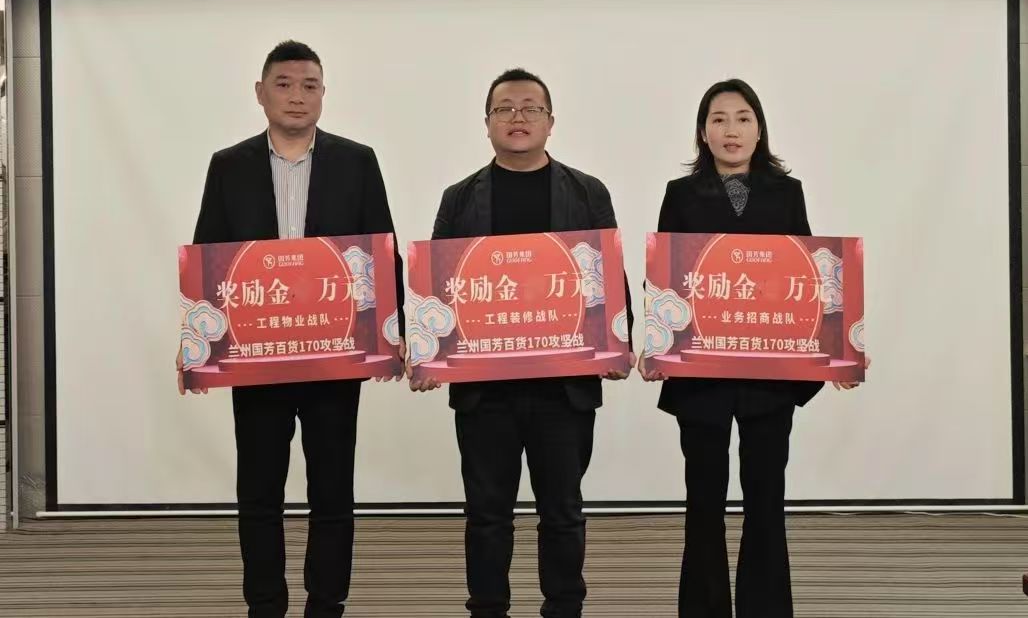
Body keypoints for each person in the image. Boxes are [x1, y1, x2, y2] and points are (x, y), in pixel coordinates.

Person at [180, 39, 404, 618]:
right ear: (260, 93)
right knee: (259, 492)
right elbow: (209, 258)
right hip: (258, 358)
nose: (297, 97)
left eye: (309, 86)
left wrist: (391, 335)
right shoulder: (229, 166)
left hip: (334, 355)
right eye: (284, 84)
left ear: (324, 94)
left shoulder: (357, 161)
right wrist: (197, 347)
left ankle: (326, 604)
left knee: (332, 491)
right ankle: (265, 605)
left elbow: (382, 251)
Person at [639, 78, 866, 618]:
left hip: (770, 375)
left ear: (759, 129)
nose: (731, 130)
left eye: (743, 118)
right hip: (701, 375)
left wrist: (839, 349)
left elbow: (812, 276)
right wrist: (656, 344)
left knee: (766, 500)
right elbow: (665, 278)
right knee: (704, 502)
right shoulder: (680, 194)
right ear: (703, 132)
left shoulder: (787, 192)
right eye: (718, 119)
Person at [414, 67, 634, 618]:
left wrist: (620, 342)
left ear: (550, 121)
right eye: (504, 108)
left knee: (563, 512)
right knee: (487, 514)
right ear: (486, 122)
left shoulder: (587, 192)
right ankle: (487, 608)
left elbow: (610, 278)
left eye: (530, 108)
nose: (518, 117)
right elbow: (439, 286)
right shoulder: (459, 199)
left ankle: (565, 607)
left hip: (564, 389)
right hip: (485, 392)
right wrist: (426, 350)